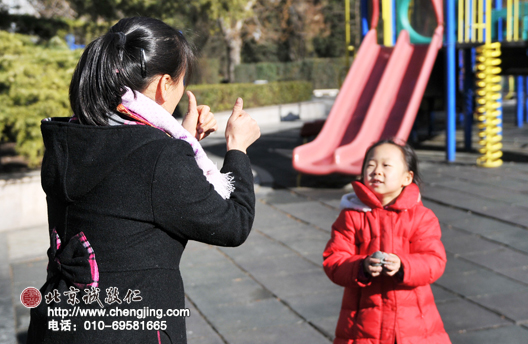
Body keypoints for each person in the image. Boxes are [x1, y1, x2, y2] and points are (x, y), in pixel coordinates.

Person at [27, 17, 260, 344]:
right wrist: (238, 148)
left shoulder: (70, 138)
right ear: (165, 84)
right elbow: (233, 224)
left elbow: (129, 190)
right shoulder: (158, 157)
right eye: (182, 81)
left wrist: (181, 140)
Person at [323, 139, 451, 344]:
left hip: (412, 326)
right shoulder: (352, 216)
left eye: (386, 165)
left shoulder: (421, 217)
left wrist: (403, 266)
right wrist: (361, 266)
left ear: (407, 178)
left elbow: (434, 261)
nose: (376, 171)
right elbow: (333, 261)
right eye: (370, 165)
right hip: (362, 325)